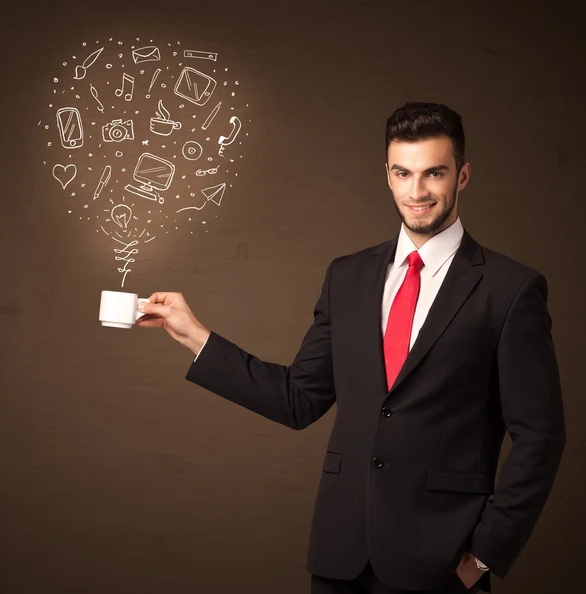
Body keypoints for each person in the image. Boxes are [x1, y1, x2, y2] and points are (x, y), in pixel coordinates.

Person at [136, 102, 566, 593]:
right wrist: (195, 335)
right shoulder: (348, 277)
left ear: (462, 176)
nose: (417, 191)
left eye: (435, 173)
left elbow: (541, 437)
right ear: (387, 175)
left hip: (443, 564)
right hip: (341, 560)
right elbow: (298, 399)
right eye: (403, 173)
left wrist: (483, 556)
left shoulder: (510, 290)